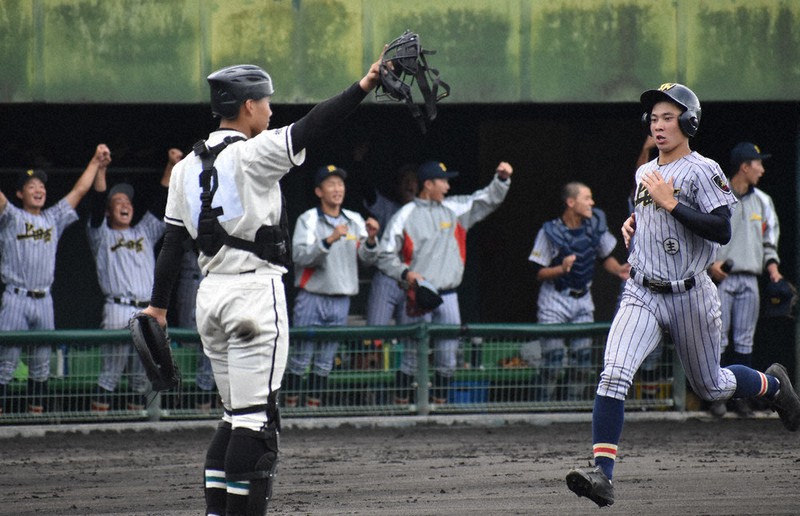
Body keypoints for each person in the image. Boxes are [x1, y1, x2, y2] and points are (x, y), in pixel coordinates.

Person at [140, 52, 386, 515]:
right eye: (267, 102)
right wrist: (366, 84)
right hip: (254, 295)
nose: (272, 111)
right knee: (257, 424)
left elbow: (172, 245)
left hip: (209, 297)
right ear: (248, 105)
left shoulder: (187, 168)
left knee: (233, 418)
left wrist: (157, 308)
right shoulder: (253, 152)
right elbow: (315, 125)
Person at [566, 83, 800, 508]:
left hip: (691, 293)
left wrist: (671, 205)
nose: (658, 125)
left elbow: (722, 229)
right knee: (614, 372)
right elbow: (647, 213)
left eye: (668, 117)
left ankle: (772, 384)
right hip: (643, 291)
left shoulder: (702, 169)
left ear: (688, 122)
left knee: (711, 386)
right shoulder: (644, 172)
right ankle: (602, 474)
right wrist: (633, 225)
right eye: (654, 118)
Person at [376, 159, 513, 405]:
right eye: (444, 180)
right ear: (428, 184)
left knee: (447, 358)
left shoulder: (454, 209)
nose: (448, 185)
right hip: (417, 294)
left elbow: (486, 199)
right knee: (410, 357)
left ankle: (437, 413)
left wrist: (501, 180)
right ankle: (399, 410)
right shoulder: (405, 214)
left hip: (448, 295)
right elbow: (384, 255)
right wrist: (405, 273)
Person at [0, 145, 108, 414]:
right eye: (31, 186)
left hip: (43, 299)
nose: (38, 189)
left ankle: (35, 423)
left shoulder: (52, 219)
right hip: (15, 297)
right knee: (5, 364)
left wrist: (95, 161)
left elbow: (79, 191)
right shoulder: (12, 216)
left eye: (41, 186)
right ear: (19, 193)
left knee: (41, 366)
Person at [86, 148, 177, 412]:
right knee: (110, 373)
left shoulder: (143, 232)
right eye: (118, 201)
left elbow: (161, 201)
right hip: (117, 306)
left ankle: (135, 436)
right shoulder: (101, 236)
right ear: (109, 211)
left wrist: (171, 165)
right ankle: (95, 431)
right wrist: (101, 169)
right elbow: (96, 201)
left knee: (140, 376)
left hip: (147, 309)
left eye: (127, 201)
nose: (124, 204)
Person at [283, 165, 380, 408]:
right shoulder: (309, 219)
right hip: (312, 295)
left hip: (341, 297)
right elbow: (300, 256)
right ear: (319, 191)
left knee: (325, 361)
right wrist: (329, 240)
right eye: (331, 184)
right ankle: (291, 410)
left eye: (340, 184)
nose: (337, 189)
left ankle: (312, 411)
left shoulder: (354, 219)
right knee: (300, 358)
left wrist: (370, 240)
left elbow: (367, 260)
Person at [528, 182, 629, 402]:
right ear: (571, 202)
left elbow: (604, 257)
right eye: (587, 198)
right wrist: (561, 268)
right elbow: (538, 272)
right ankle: (543, 408)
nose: (592, 202)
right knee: (553, 362)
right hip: (555, 298)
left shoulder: (594, 224)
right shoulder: (550, 231)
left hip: (583, 298)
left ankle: (571, 407)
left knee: (582, 362)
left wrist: (619, 269)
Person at [707, 142, 784, 418]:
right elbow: (702, 235)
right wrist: (708, 265)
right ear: (744, 166)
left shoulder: (763, 201)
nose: (762, 169)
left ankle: (742, 398)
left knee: (744, 340)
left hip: (750, 277)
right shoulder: (717, 196)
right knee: (718, 339)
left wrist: (773, 271)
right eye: (757, 163)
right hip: (720, 279)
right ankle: (717, 399)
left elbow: (769, 241)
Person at [175, 247, 218, 411]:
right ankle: (198, 414)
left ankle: (212, 416)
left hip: (218, 283)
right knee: (191, 345)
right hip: (192, 284)